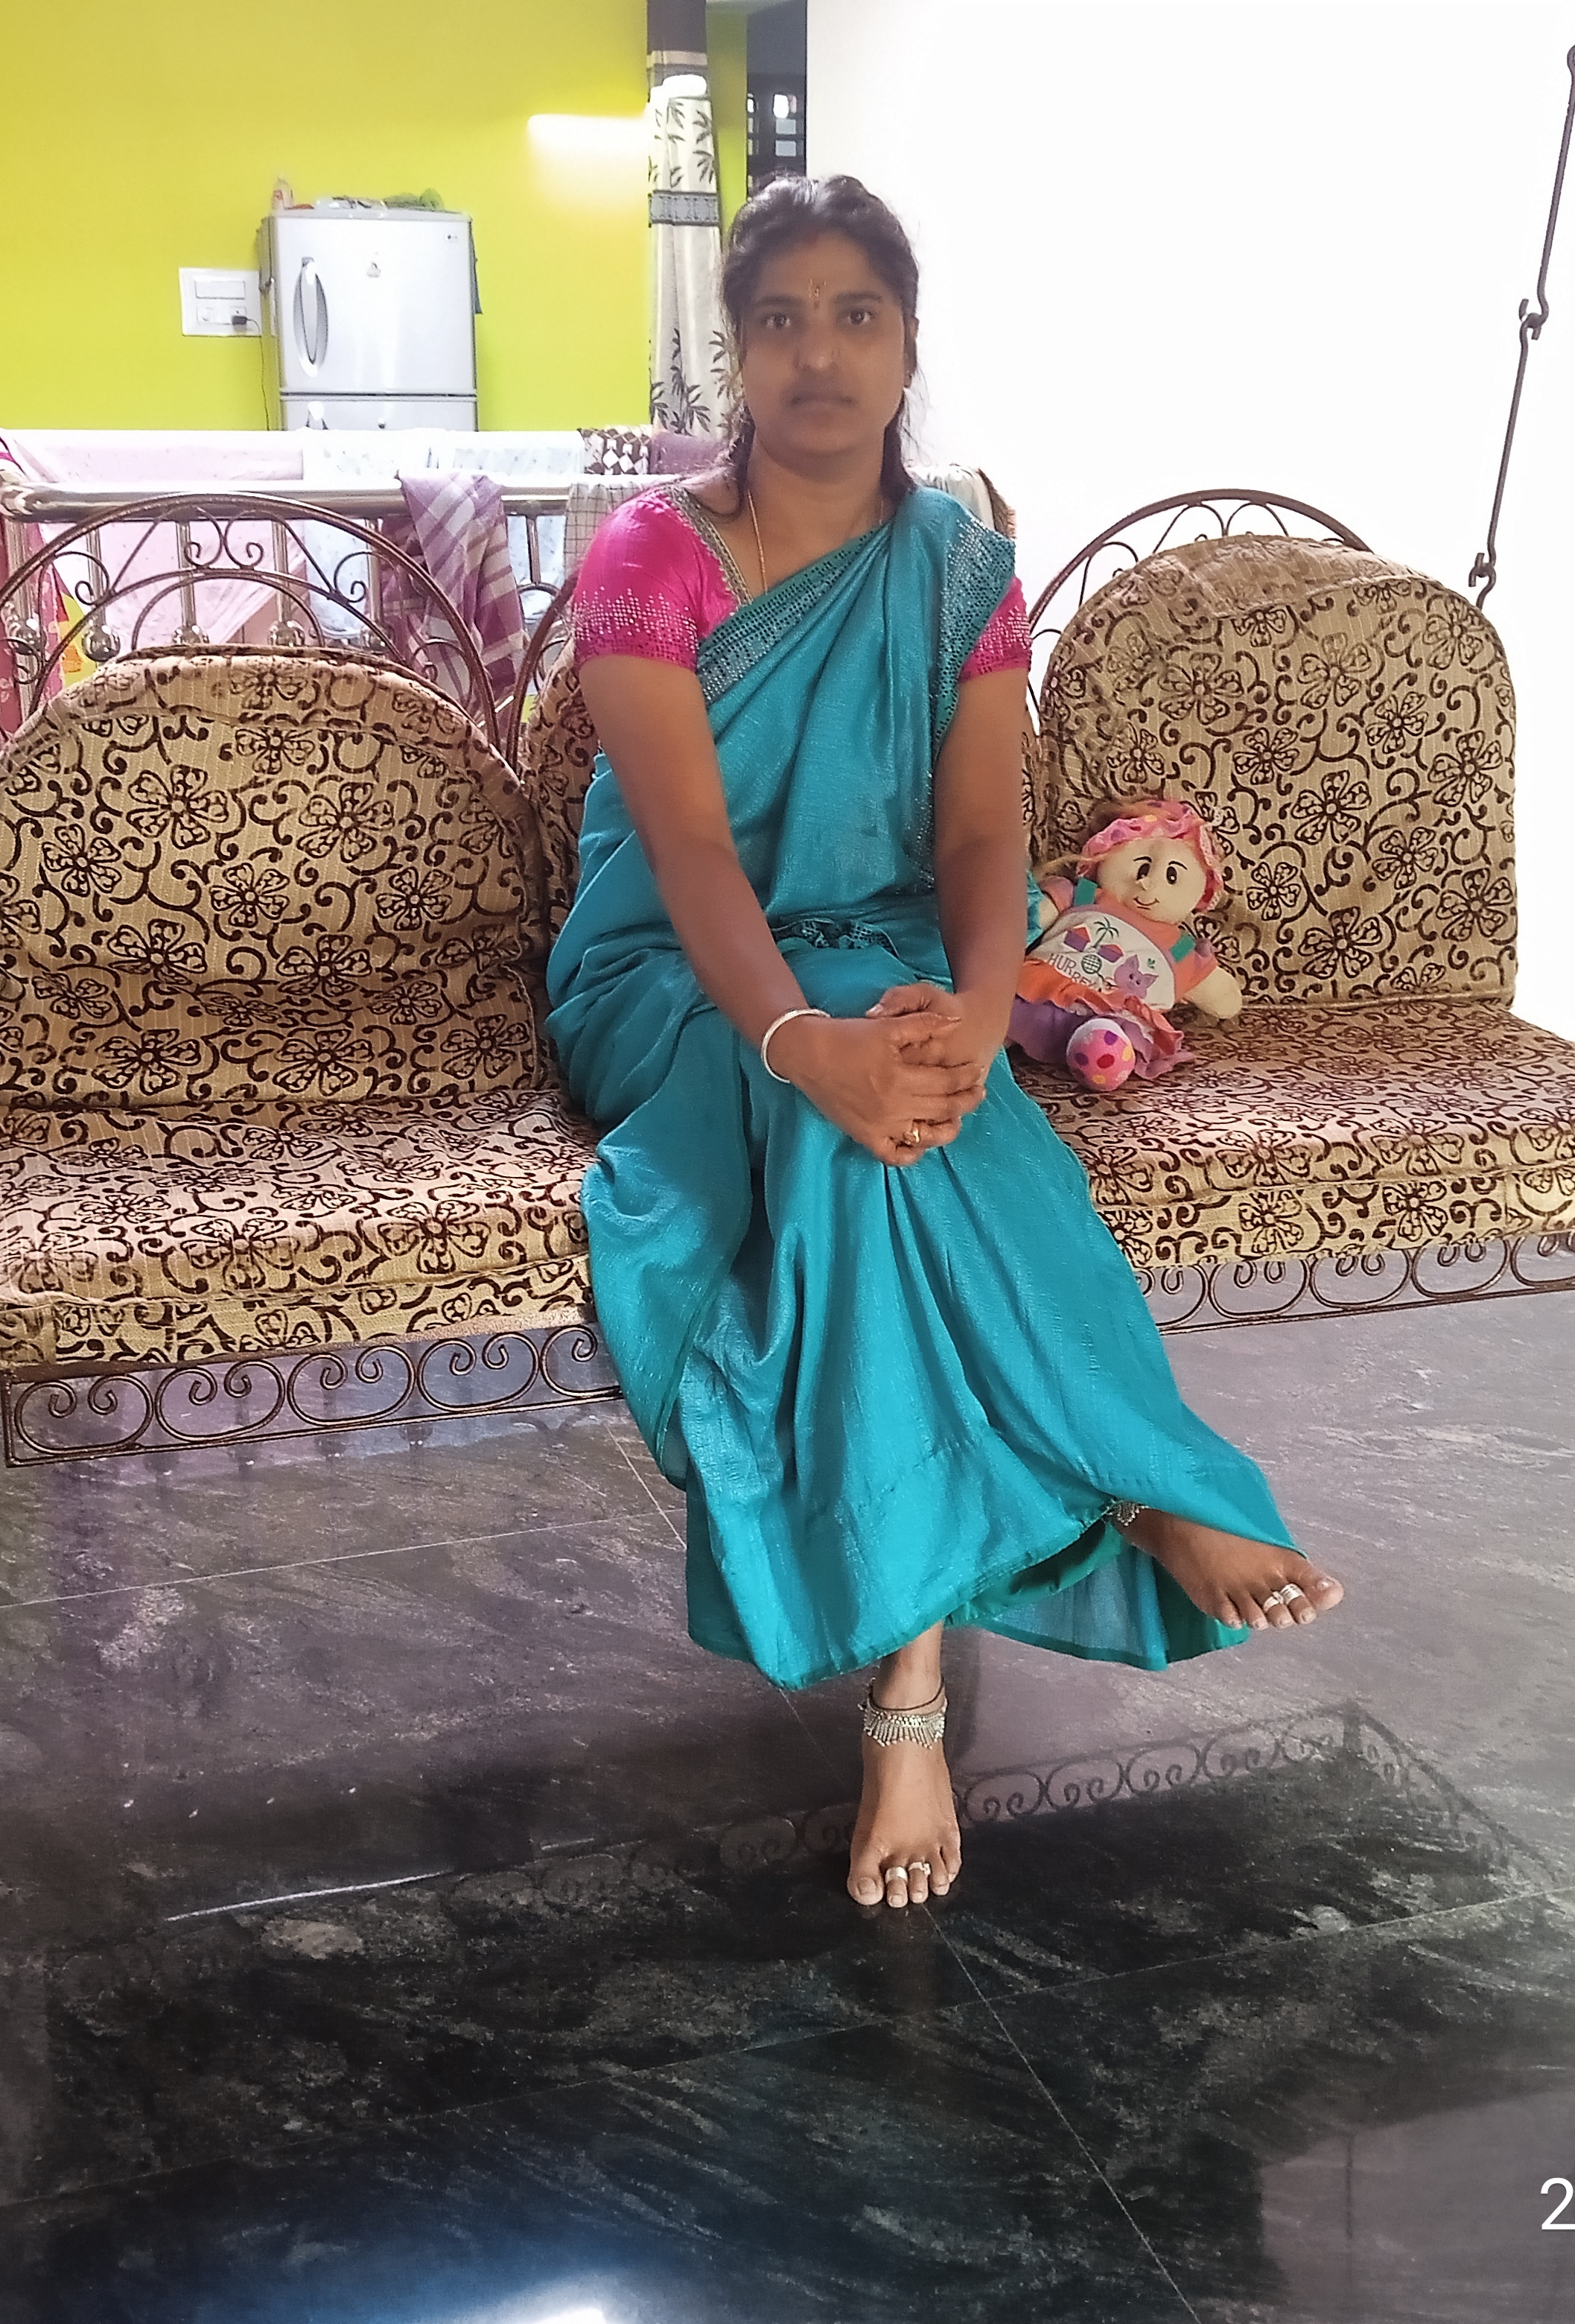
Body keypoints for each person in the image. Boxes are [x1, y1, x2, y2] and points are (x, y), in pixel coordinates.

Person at [547, 175, 1344, 1911]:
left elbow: (985, 833)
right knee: (852, 1133)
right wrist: (798, 1048)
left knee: (930, 1124)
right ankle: (1117, 1490)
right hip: (672, 975)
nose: (818, 354)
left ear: (908, 344)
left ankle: (925, 1682)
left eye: (856, 316)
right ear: (734, 350)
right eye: (779, 319)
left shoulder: (958, 570)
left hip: (884, 955)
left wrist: (979, 1017)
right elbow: (687, 855)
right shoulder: (649, 559)